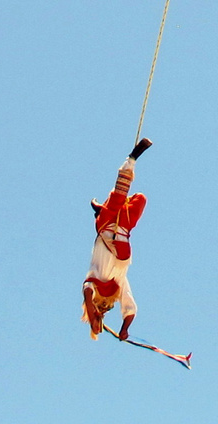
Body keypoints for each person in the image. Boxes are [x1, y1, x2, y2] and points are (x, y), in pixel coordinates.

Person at [82, 138, 153, 341]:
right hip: (121, 236)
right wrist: (124, 329)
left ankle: (132, 158)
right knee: (140, 199)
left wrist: (93, 315)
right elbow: (130, 309)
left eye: (102, 306)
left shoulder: (92, 284)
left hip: (107, 229)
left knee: (118, 197)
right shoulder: (118, 286)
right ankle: (103, 208)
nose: (105, 307)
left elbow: (87, 295)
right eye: (106, 308)